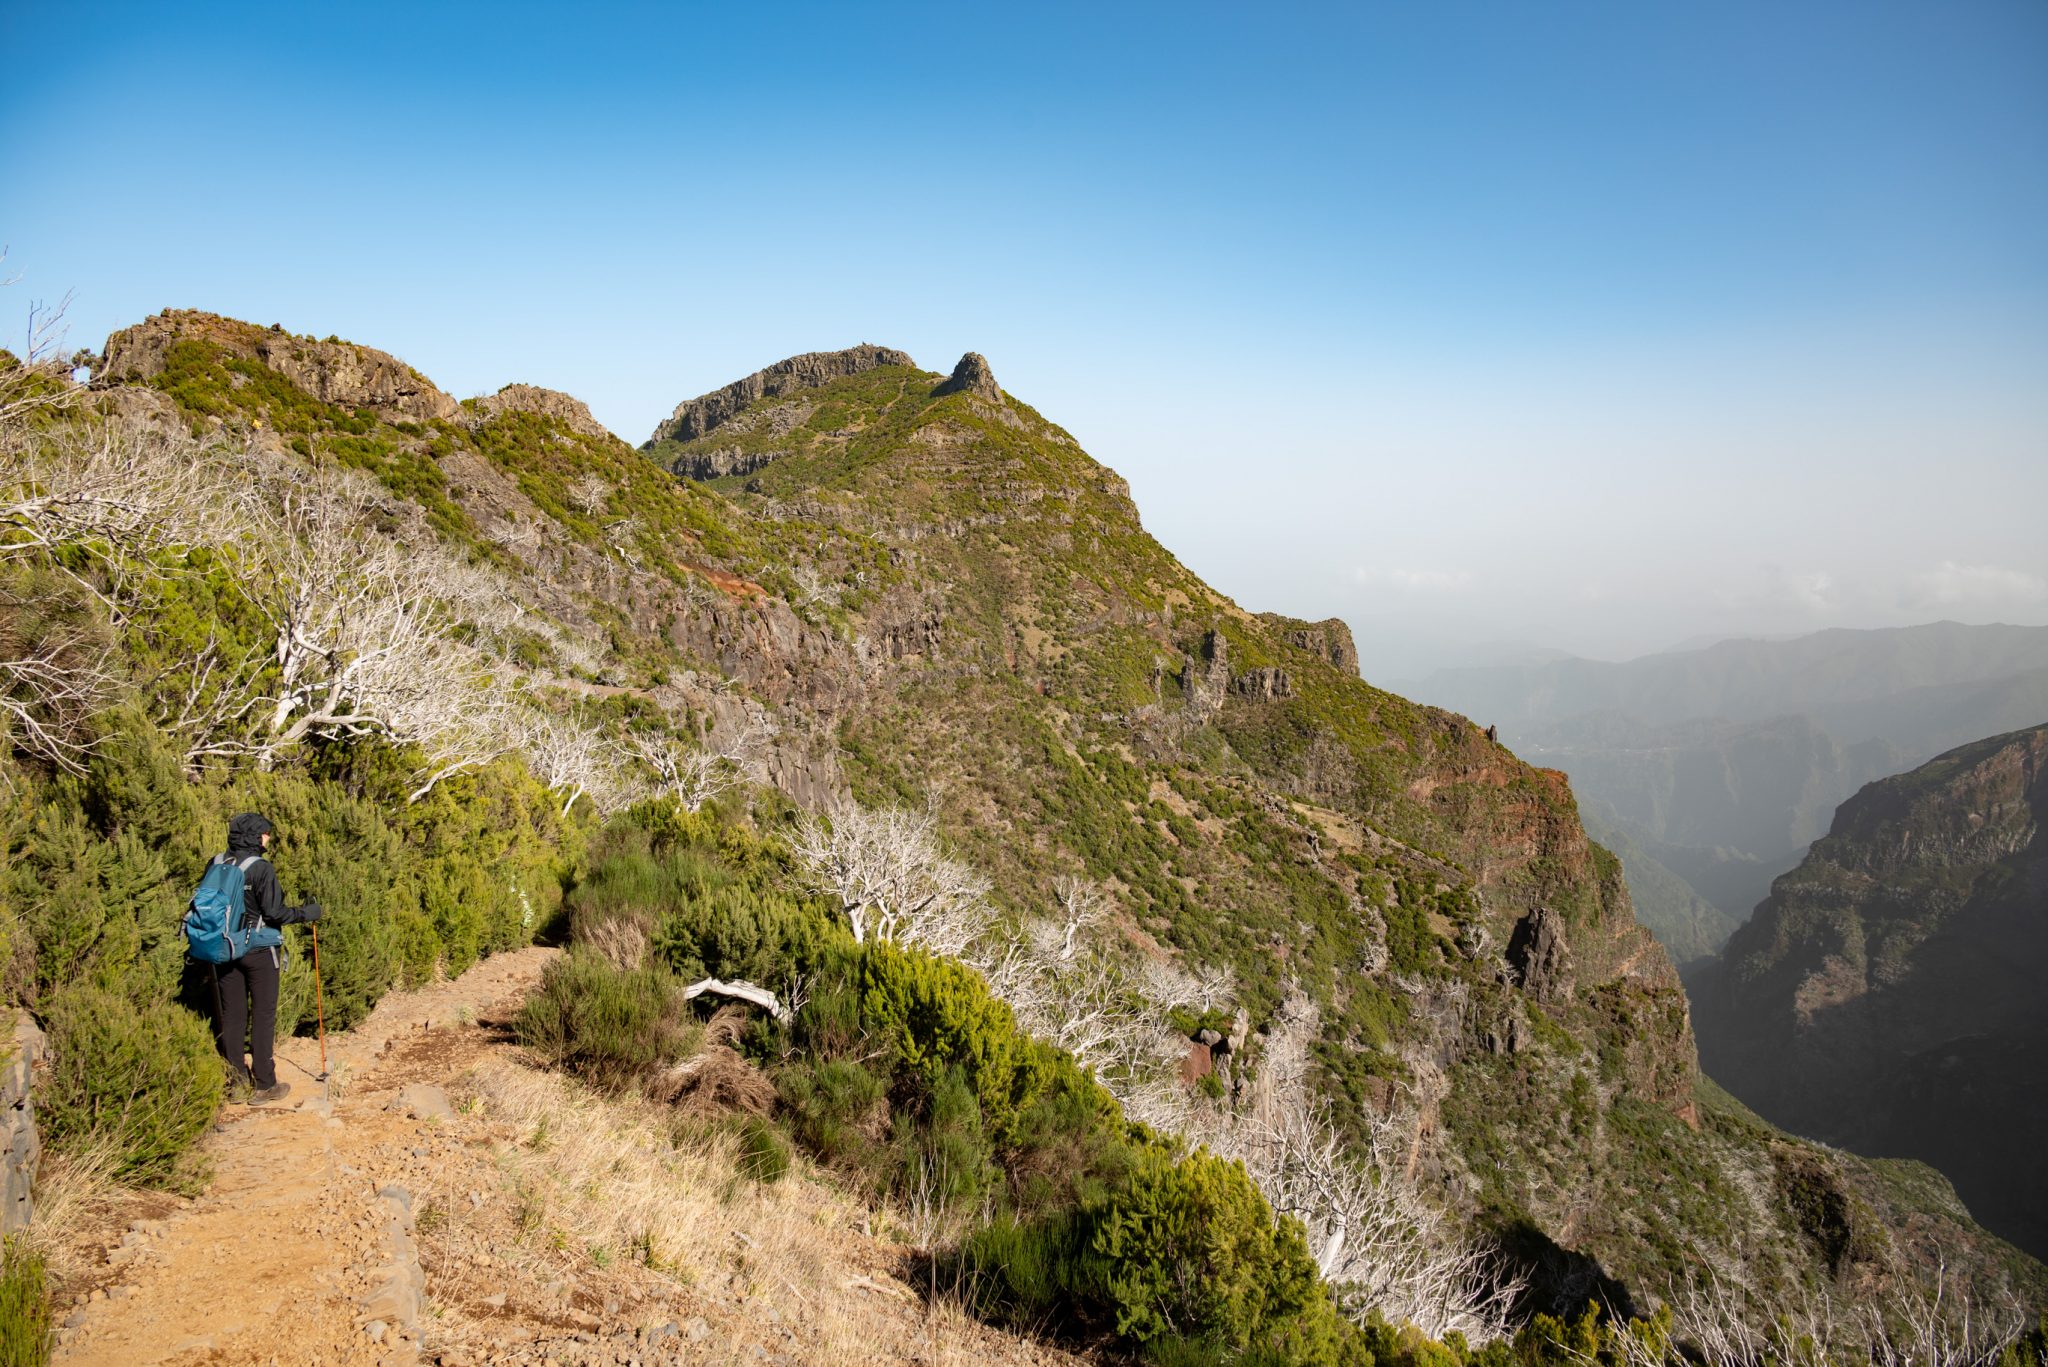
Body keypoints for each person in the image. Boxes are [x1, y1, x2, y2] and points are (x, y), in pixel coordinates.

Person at [210, 813, 322, 1106]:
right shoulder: (261, 869)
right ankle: (265, 1084)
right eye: (265, 833)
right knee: (263, 1015)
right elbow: (274, 913)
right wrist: (305, 913)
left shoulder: (217, 862)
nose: (268, 838)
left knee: (232, 1016)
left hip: (223, 949)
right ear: (254, 836)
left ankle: (235, 1084)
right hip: (259, 950)